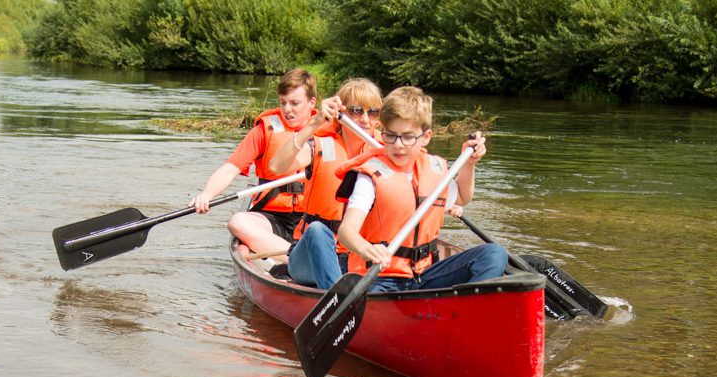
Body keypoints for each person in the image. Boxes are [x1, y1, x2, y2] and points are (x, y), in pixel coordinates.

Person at [309, 86, 508, 292]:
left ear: (426, 137)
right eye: (391, 136)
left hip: (425, 274)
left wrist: (470, 163)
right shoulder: (370, 176)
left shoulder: (435, 170)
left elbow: (463, 197)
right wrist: (367, 249)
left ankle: (467, 308)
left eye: (408, 137)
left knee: (493, 254)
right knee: (372, 294)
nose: (398, 145)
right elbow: (346, 232)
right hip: (381, 277)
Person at [187, 69, 318, 256]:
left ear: (311, 102)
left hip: (313, 217)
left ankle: (291, 257)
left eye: (295, 103)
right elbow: (230, 168)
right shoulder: (264, 130)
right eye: (283, 102)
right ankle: (293, 259)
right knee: (238, 222)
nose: (287, 109)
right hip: (273, 218)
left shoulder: (327, 130)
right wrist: (206, 194)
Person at [267, 78, 383, 288]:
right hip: (310, 256)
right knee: (317, 230)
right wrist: (315, 122)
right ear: (341, 114)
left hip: (359, 256)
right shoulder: (320, 146)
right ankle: (337, 300)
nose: (365, 120)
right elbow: (276, 166)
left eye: (373, 112)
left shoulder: (387, 151)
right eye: (357, 111)